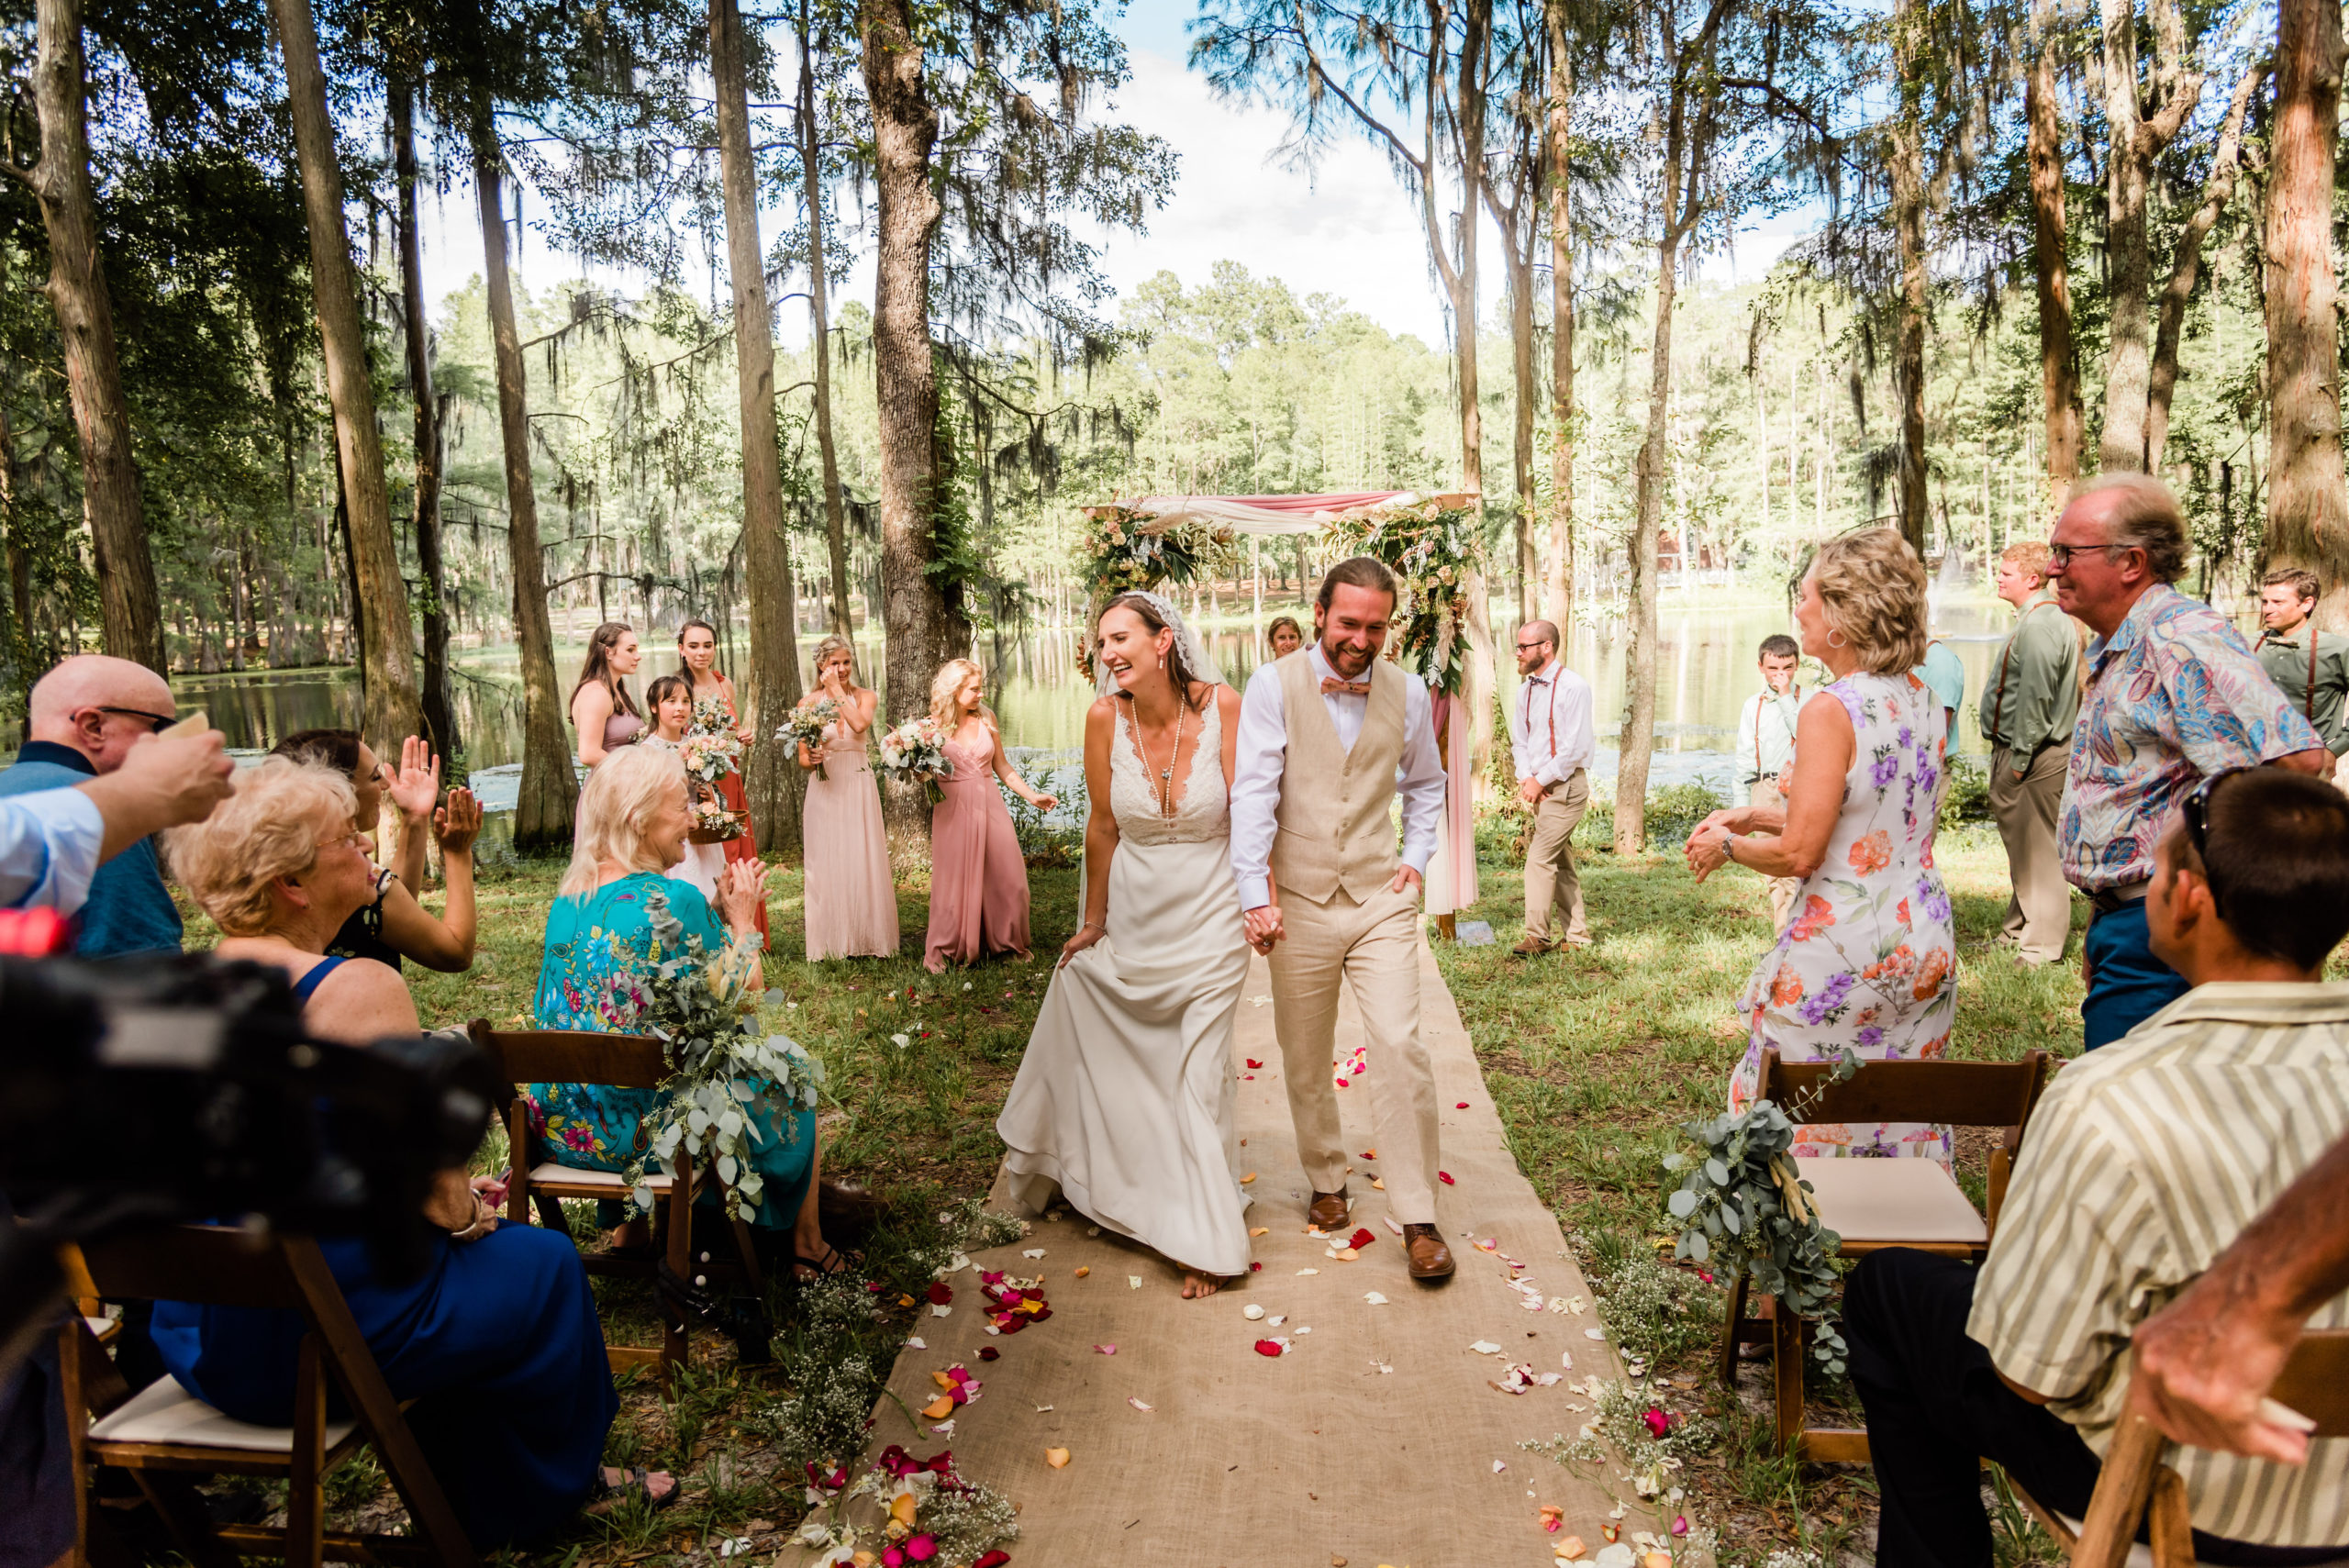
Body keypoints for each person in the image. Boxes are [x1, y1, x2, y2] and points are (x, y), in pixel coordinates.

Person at [1842, 766, 2349, 1568]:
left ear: (2188, 899)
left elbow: (2030, 1373)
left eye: (2153, 866)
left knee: (1888, 1293)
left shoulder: (2111, 1097)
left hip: (2173, 1489)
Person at [156, 756, 654, 1544]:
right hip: (324, 1340)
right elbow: (435, 1183)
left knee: (473, 1270)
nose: (368, 850)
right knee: (543, 1265)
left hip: (209, 1337)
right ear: (292, 883)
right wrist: (465, 1216)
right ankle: (540, 1497)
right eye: (348, 841)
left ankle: (474, 1475)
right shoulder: (351, 989)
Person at [996, 593, 1252, 1298]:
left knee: (1198, 1074)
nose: (1106, 653)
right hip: (1138, 915)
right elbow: (1103, 828)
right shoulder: (1103, 717)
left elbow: (1254, 815)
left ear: (1163, 640)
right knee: (1078, 987)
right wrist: (1094, 921)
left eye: (1119, 638)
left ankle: (1201, 1237)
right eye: (1100, 642)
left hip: (1212, 913)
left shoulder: (1225, 706)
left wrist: (1259, 901)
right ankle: (1120, 1177)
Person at [1687, 528, 1956, 1162]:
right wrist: (1756, 813)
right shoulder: (1926, 700)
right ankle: (1891, 1243)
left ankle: (1798, 1245)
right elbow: (1871, 824)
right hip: (1922, 940)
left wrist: (1726, 845)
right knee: (1894, 1110)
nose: (1798, 609)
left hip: (1843, 951)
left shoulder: (1830, 708)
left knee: (1790, 1109)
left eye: (1805, 595)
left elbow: (1801, 855)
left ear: (1842, 615)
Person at [529, 745, 844, 1277]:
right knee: (790, 1065)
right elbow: (744, 995)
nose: (693, 820)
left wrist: (713, 914)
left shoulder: (568, 901)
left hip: (569, 1132)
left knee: (622, 1055)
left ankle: (630, 1229)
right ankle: (807, 1244)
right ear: (638, 817)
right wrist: (743, 922)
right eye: (680, 807)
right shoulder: (672, 899)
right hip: (653, 1138)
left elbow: (640, 982)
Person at [2049, 473, 2330, 1048]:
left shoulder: (2180, 637)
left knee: (2136, 1119)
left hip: (2178, 927)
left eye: (2066, 552)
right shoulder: (2128, 640)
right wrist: (2113, 910)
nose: (2054, 567)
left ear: (2131, 561)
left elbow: (2297, 763)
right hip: (2133, 920)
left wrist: (2206, 906)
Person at [1230, 557, 1453, 1281]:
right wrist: (1253, 893)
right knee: (1303, 1049)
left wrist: (1416, 859)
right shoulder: (1272, 685)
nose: (1361, 639)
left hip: (1378, 895)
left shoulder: (1409, 692)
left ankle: (1418, 1214)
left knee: (1399, 1041)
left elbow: (1426, 785)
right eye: (1349, 622)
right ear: (1321, 612)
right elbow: (1254, 792)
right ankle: (1327, 1178)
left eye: (1376, 626)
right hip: (1295, 896)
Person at [0, 653, 192, 956]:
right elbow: (141, 961)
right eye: (160, 728)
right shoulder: (98, 809)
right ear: (93, 726)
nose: (166, 744)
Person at [272, 729, 482, 973]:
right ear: (340, 791)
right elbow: (455, 954)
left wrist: (414, 819)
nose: (385, 784)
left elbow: (389, 912)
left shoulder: (271, 865)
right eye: (374, 777)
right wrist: (458, 854)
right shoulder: (348, 876)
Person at [1976, 541, 2081, 966]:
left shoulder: (2040, 626)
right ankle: (2016, 931)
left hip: (2033, 756)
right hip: (2030, 752)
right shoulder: (2042, 619)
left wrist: (2019, 761)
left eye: (2006, 573)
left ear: (2033, 579)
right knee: (2025, 848)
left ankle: (2041, 948)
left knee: (2038, 852)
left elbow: (2036, 699)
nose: (1998, 578)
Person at [923, 658, 1058, 973]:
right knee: (955, 880)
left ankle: (1008, 943)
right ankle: (952, 946)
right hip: (953, 809)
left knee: (1008, 877)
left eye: (981, 687)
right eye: (974, 689)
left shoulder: (987, 718)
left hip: (989, 803)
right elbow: (924, 772)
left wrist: (1032, 796)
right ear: (954, 691)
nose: (981, 694)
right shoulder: (930, 727)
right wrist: (920, 775)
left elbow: (1003, 767)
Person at [796, 633, 898, 960]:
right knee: (826, 857)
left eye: (846, 662)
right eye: (834, 663)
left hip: (857, 781)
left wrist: (838, 692)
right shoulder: (806, 705)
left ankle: (867, 937)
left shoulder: (865, 696)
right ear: (821, 665)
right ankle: (831, 941)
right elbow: (801, 757)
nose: (841, 669)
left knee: (861, 853)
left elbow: (859, 723)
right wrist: (809, 759)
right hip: (825, 785)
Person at [677, 617, 769, 948]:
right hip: (700, 781)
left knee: (738, 846)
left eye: (708, 645)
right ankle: (716, 929)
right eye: (694, 646)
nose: (702, 652)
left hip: (729, 775)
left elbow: (731, 732)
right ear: (681, 650)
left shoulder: (724, 683)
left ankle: (746, 926)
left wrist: (741, 736)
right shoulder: (677, 688)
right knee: (715, 853)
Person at [1507, 619, 1596, 956]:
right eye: (1517, 646)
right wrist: (1527, 778)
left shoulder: (1574, 687)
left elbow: (1573, 749)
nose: (1517, 652)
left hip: (1567, 788)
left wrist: (1539, 780)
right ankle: (1578, 935)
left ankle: (1537, 936)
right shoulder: (1524, 690)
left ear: (1546, 647)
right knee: (1560, 863)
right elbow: (1521, 742)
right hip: (1541, 789)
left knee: (1539, 860)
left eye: (1524, 646)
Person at [1731, 633, 1806, 931]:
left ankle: (1795, 933)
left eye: (1787, 668)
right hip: (1763, 789)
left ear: (1797, 665)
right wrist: (1741, 809)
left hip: (1798, 790)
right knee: (1773, 869)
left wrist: (1786, 696)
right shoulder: (1753, 705)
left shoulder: (1809, 700)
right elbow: (1744, 758)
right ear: (1761, 667)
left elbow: (1804, 734)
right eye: (1774, 669)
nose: (1780, 676)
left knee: (1797, 863)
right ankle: (1783, 934)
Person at [637, 673, 726, 902]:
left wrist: (708, 797)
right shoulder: (648, 750)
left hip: (702, 831)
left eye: (685, 701)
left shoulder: (696, 745)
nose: (680, 708)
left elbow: (710, 790)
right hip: (670, 832)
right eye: (671, 701)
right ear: (654, 707)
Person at [2254, 568, 2349, 762]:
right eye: (2265, 601)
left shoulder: (2338, 650)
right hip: (2249, 764)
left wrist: (2334, 751)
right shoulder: (2244, 646)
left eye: (2277, 602)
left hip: (2308, 767)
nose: (2267, 609)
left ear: (2306, 604)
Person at [570, 620, 643, 767]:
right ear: (608, 652)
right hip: (610, 783)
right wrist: (636, 770)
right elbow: (589, 754)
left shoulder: (619, 690)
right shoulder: (596, 694)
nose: (638, 656)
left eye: (637, 649)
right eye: (630, 650)